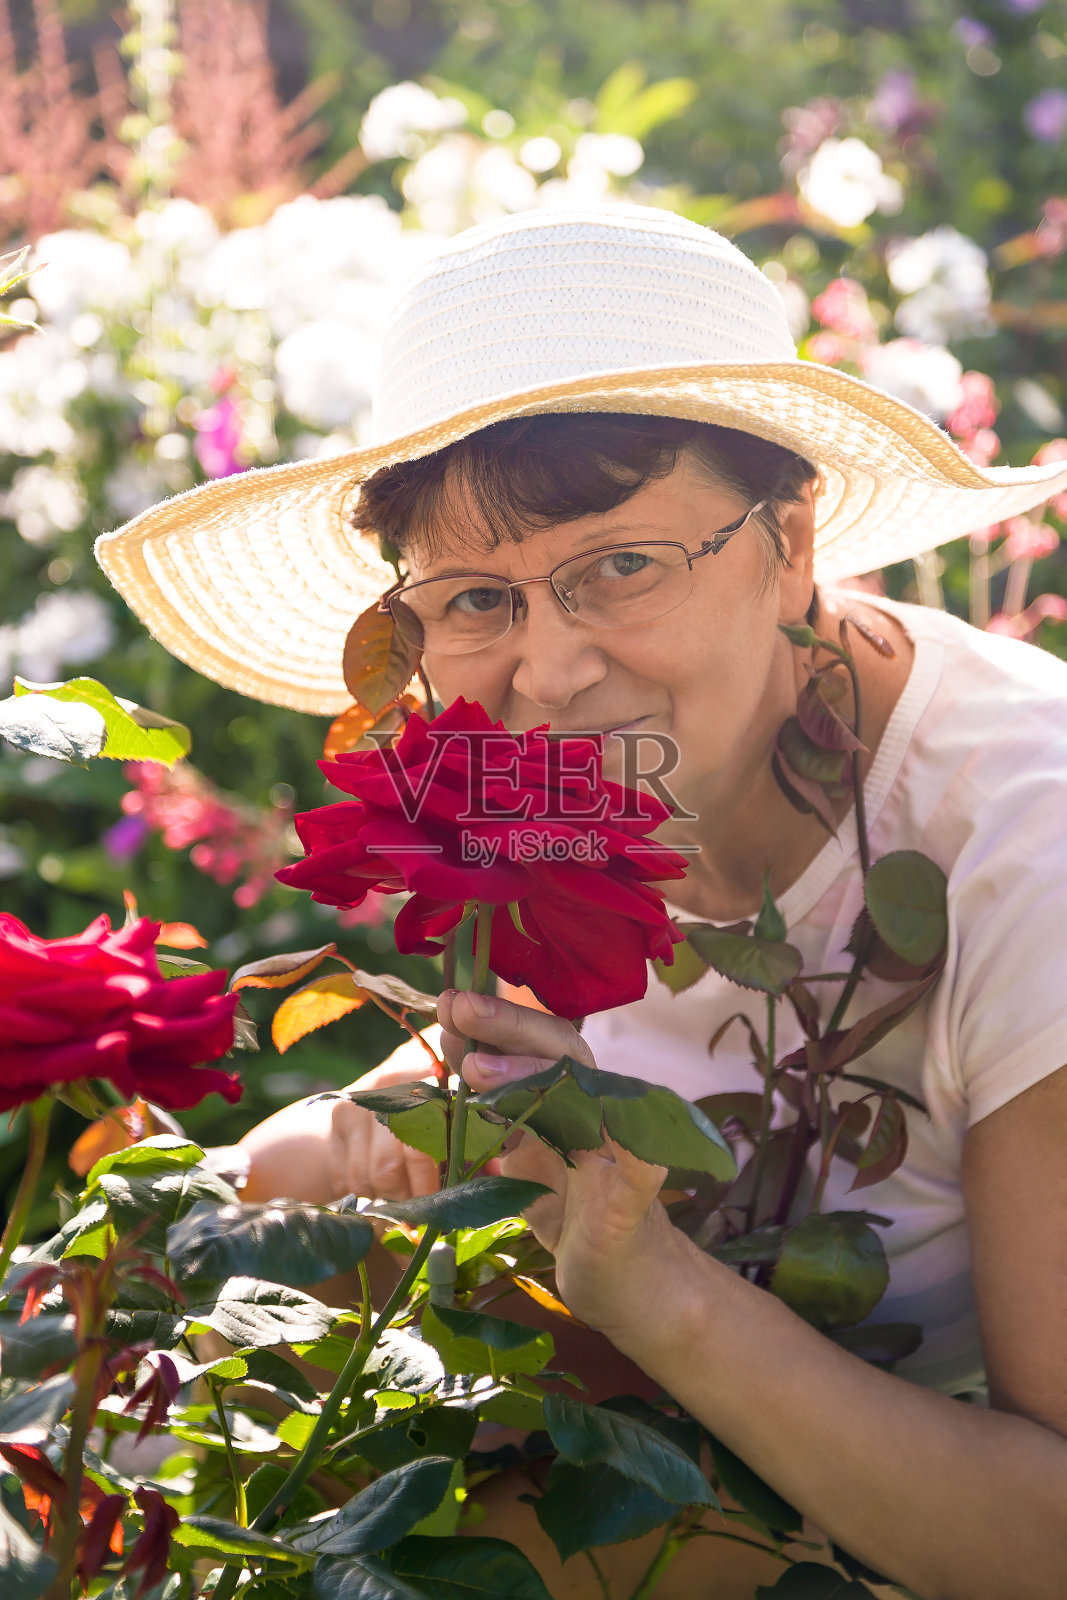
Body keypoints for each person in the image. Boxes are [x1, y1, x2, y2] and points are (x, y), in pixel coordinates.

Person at [97, 206, 1067, 1599]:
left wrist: (646, 1282)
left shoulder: (1032, 846)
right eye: (479, 598)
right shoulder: (538, 788)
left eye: (620, 566)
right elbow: (430, 1123)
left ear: (790, 542)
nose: (547, 673)